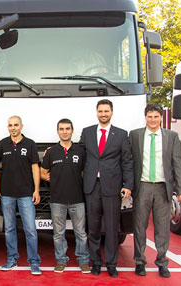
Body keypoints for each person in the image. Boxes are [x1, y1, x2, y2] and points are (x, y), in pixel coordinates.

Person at [130, 104, 181, 278]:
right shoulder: (135, 136)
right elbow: (129, 162)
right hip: (143, 186)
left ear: (161, 117)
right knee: (139, 227)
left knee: (162, 228)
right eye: (149, 116)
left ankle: (162, 263)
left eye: (156, 116)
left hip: (163, 187)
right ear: (145, 117)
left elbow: (177, 162)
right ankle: (140, 262)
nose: (152, 119)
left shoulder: (171, 137)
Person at [79, 99, 133, 278]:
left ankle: (111, 264)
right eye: (100, 111)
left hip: (112, 187)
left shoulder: (121, 134)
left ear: (111, 112)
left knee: (111, 228)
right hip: (92, 186)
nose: (103, 114)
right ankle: (95, 262)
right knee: (93, 228)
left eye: (106, 111)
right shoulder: (87, 133)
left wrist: (128, 185)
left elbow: (127, 162)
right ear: (97, 113)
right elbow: (79, 155)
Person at [41, 119, 90, 274]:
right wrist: (52, 178)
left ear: (72, 131)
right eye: (61, 129)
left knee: (81, 233)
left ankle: (83, 261)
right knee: (58, 234)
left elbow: (83, 173)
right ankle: (61, 261)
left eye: (67, 128)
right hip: (57, 200)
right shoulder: (52, 152)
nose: (64, 131)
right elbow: (43, 172)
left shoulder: (80, 151)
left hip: (77, 200)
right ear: (58, 131)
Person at [0, 116, 41, 275]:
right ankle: (12, 259)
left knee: (30, 229)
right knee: (9, 228)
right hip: (6, 194)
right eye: (10, 125)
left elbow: (35, 168)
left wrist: (36, 190)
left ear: (21, 126)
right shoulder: (3, 144)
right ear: (7, 127)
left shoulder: (30, 144)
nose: (13, 128)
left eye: (16, 125)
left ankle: (34, 262)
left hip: (26, 194)